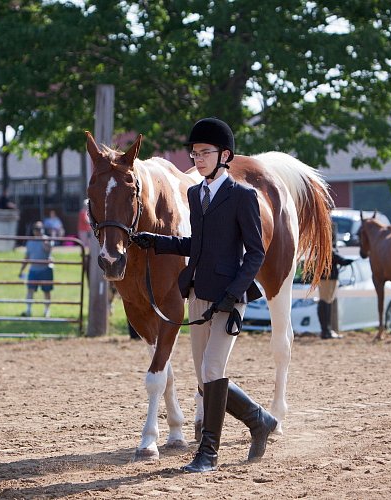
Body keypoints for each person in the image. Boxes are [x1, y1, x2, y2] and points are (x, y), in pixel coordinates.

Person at [132, 117, 277, 473]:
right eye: (194, 153)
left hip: (228, 298)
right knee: (204, 377)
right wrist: (159, 242)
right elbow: (197, 245)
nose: (197, 159)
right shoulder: (195, 194)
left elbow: (255, 253)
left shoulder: (243, 196)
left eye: (205, 152)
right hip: (198, 295)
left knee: (212, 370)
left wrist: (234, 293)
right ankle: (260, 420)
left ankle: (208, 453)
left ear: (224, 154)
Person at [317, 226, 354, 339]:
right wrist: (348, 261)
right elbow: (337, 258)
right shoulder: (326, 247)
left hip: (327, 278)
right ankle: (326, 330)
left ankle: (326, 330)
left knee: (326, 302)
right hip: (328, 278)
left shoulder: (323, 247)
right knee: (326, 302)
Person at [18, 221, 54, 317]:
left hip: (45, 269)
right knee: (30, 290)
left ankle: (47, 311)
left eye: (39, 229)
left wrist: (43, 240)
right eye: (35, 229)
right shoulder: (30, 242)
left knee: (46, 291)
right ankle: (28, 310)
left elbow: (48, 250)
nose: (37, 231)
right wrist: (21, 270)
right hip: (33, 270)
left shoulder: (47, 239)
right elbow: (27, 257)